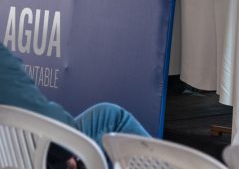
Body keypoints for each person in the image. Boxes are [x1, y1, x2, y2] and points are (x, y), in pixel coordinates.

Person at [0, 43, 149, 164]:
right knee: (113, 119)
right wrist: (65, 153)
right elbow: (47, 119)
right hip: (31, 159)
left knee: (104, 115)